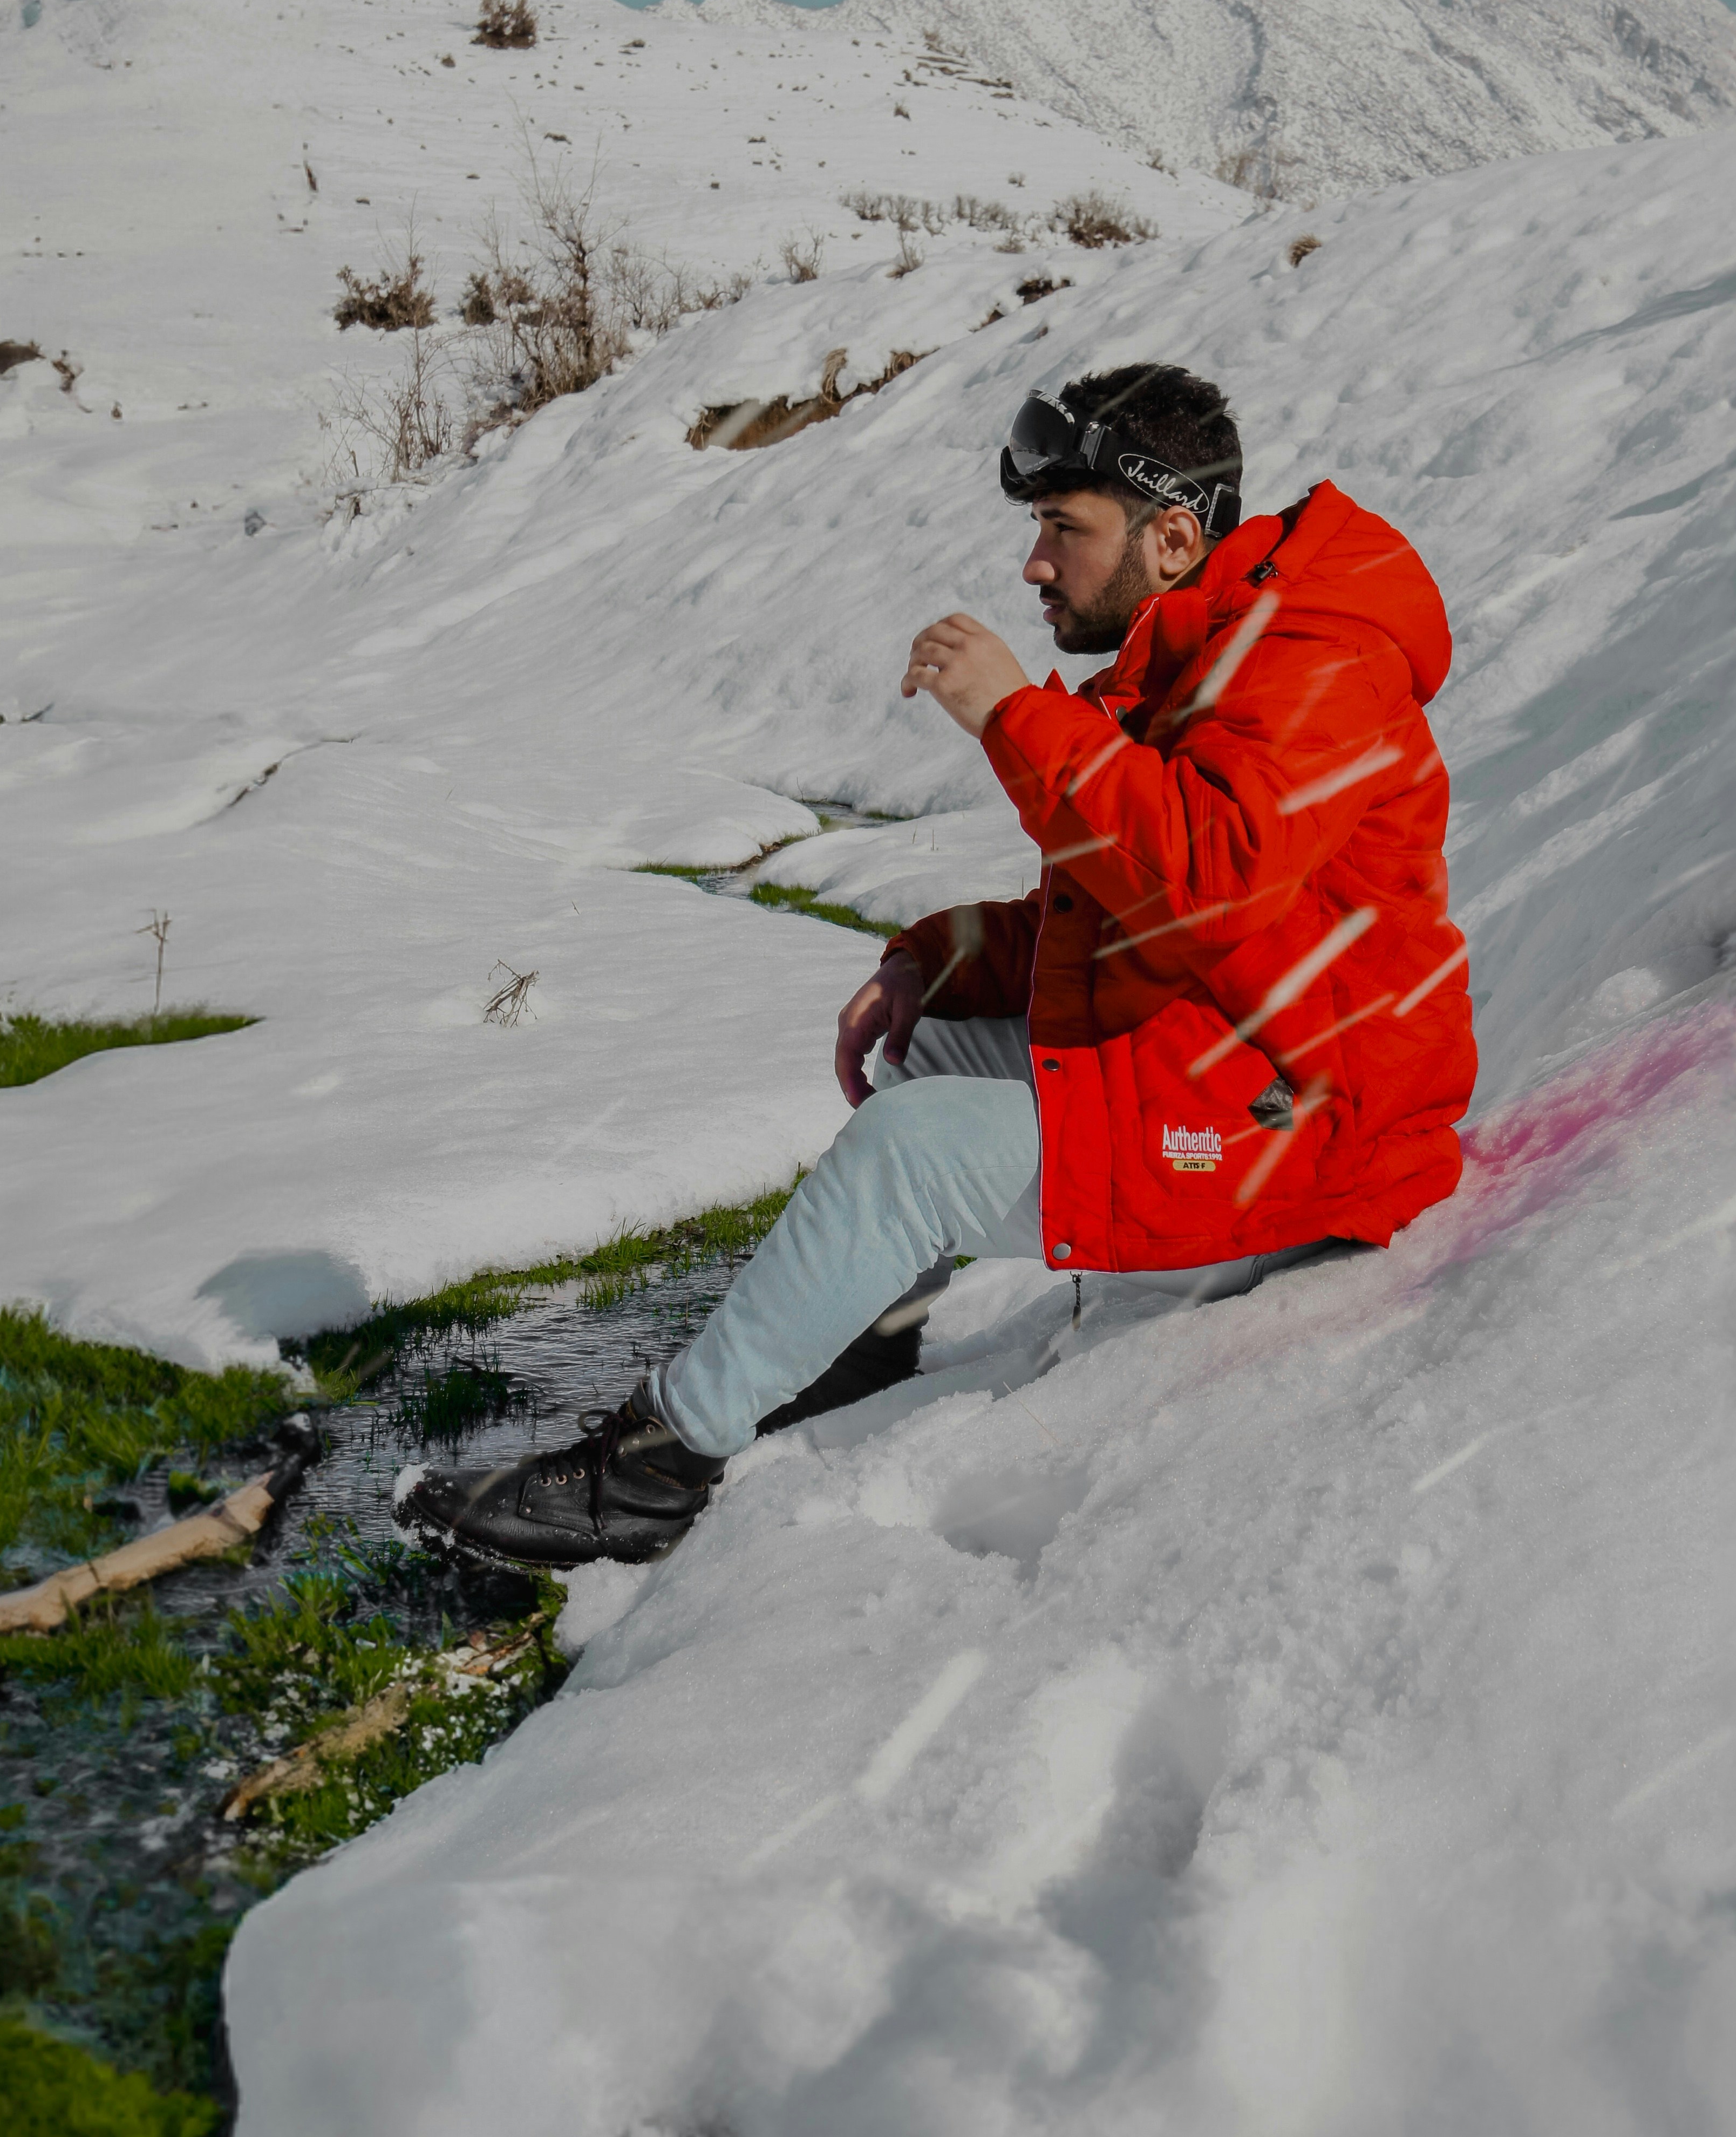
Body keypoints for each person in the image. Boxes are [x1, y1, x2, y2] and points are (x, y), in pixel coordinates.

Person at [399, 362, 1476, 1566]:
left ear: (1173, 537)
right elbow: (1122, 907)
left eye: (1062, 530)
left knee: (903, 1155)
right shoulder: (1215, 641)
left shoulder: (1313, 656)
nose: (1033, 565)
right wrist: (934, 960)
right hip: (1236, 1063)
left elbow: (1206, 881)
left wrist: (1016, 714)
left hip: (1314, 1132)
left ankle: (648, 1478)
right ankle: (848, 1347)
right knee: (933, 1048)